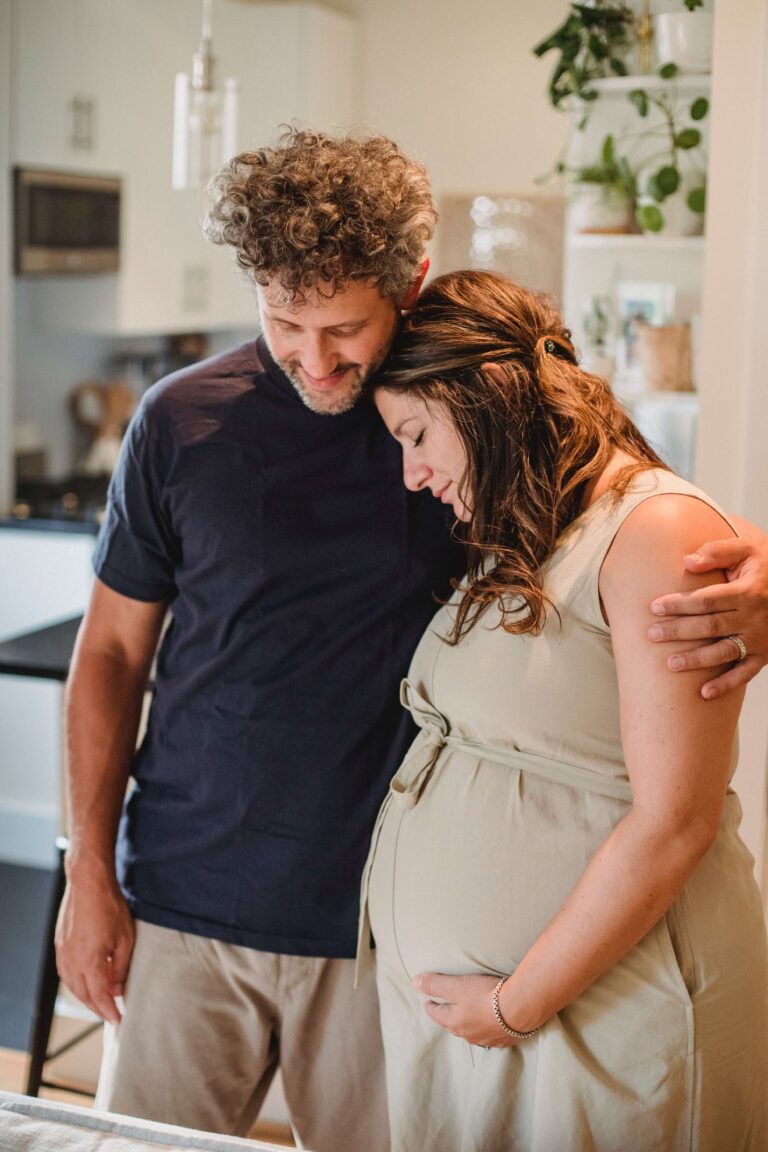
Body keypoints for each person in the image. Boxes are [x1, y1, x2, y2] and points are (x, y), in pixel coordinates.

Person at [53, 128, 768, 1147]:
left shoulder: (458, 416)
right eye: (283, 322)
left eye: (344, 328)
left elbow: (628, 502)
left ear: (410, 284)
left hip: (375, 933)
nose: (314, 360)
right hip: (184, 897)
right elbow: (112, 655)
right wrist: (88, 869)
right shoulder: (178, 424)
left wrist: (752, 563)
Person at [361, 268, 768, 1152]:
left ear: (488, 392)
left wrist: (516, 1004)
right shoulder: (531, 526)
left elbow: (675, 822)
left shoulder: (654, 531)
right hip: (524, 1019)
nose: (413, 473)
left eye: (417, 435)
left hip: (609, 1010)